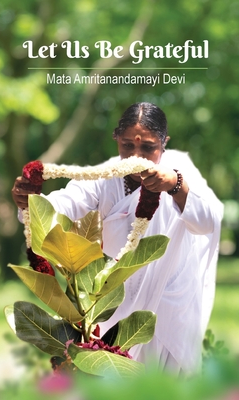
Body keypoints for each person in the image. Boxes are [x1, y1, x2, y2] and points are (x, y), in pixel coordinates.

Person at [12, 102, 223, 375]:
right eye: (127, 146)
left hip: (172, 304)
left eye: (148, 147)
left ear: (164, 143)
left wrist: (176, 184)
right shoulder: (105, 178)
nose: (136, 155)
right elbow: (59, 206)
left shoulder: (179, 172)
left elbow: (208, 222)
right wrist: (28, 203)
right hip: (119, 302)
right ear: (116, 140)